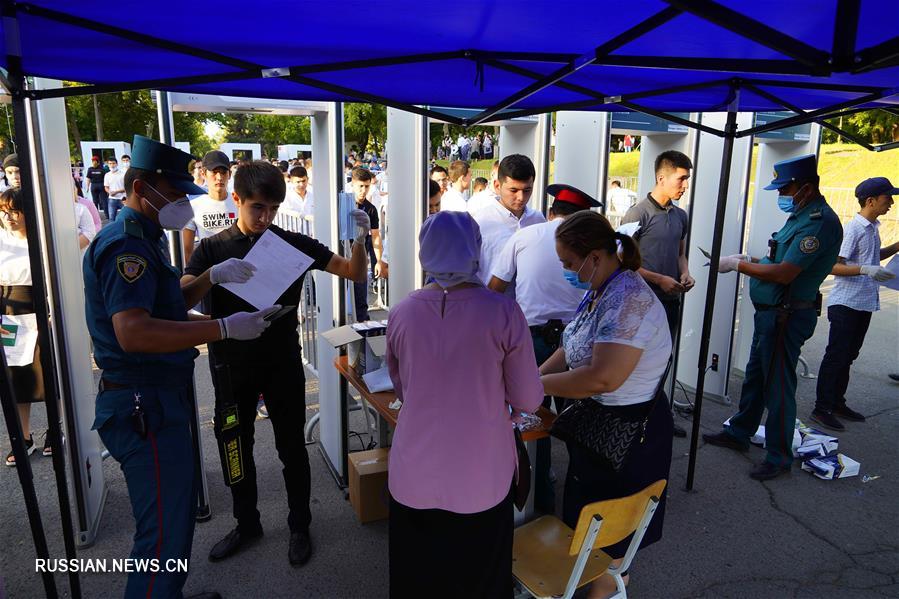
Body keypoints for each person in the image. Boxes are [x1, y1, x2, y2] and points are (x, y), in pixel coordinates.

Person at [84, 136, 275, 599]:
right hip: (140, 401)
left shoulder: (147, 239)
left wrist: (210, 277)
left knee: (176, 512)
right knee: (162, 533)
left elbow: (166, 309)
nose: (181, 204)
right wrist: (223, 329)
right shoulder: (125, 247)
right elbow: (135, 331)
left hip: (159, 397)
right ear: (143, 187)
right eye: (173, 193)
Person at [181, 160, 370, 568]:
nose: (266, 218)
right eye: (257, 208)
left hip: (281, 363)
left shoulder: (292, 244)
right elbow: (181, 298)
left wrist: (358, 237)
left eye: (272, 208)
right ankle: (245, 521)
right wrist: (212, 275)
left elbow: (353, 272)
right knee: (235, 446)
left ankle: (300, 523)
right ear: (237, 201)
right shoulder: (213, 247)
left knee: (291, 448)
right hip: (230, 366)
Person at [386, 210, 543, 598]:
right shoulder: (503, 311)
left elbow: (402, 387)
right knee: (481, 578)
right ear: (475, 250)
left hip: (412, 473)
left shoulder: (402, 312)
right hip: (482, 476)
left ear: (426, 254)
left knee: (417, 577)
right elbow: (528, 399)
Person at [540, 210, 673, 599]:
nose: (566, 270)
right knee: (590, 530)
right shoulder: (602, 287)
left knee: (610, 546)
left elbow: (603, 377)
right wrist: (532, 377)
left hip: (629, 437)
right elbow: (572, 345)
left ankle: (608, 589)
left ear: (594, 257)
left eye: (568, 263)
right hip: (601, 426)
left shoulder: (629, 301)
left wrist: (534, 387)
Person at [704, 154, 842, 481]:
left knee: (778, 386)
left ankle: (779, 456)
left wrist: (738, 265)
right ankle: (739, 432)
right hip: (772, 315)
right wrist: (749, 259)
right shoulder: (801, 215)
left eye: (786, 188)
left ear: (806, 188)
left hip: (787, 317)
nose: (782, 195)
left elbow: (784, 272)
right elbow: (776, 258)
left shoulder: (819, 222)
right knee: (755, 376)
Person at [488, 183, 600, 514]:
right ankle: (580, 500)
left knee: (529, 417)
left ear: (551, 212)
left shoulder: (524, 237)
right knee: (580, 419)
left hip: (530, 341)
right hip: (578, 342)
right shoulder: (591, 248)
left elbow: (494, 290)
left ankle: (540, 492)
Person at [811, 177, 898, 431]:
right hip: (846, 304)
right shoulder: (854, 229)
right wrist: (865, 270)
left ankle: (837, 402)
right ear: (870, 201)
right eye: (887, 198)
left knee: (849, 356)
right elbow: (832, 265)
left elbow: (870, 258)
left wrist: (894, 247)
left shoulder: (872, 228)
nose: (891, 202)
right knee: (836, 356)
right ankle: (821, 408)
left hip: (863, 303)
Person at [623, 151, 695, 437]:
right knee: (636, 362)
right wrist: (659, 279)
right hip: (640, 304)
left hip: (670, 302)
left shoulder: (680, 216)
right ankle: (633, 419)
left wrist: (685, 273)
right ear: (661, 178)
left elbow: (680, 254)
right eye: (682, 178)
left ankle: (656, 418)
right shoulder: (637, 214)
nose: (685, 185)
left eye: (687, 179)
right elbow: (622, 263)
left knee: (663, 361)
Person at [1, 188, 51, 465]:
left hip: (40, 308)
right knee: (16, 376)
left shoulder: (42, 239)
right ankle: (23, 436)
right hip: (9, 313)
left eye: (14, 211)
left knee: (47, 371)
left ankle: (56, 430)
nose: (8, 217)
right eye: (3, 211)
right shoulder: (0, 239)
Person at [470, 154, 546, 286]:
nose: (521, 197)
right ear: (497, 185)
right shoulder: (480, 222)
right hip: (490, 302)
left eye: (527, 190)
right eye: (513, 190)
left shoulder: (538, 220)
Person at [182, 151, 238, 264]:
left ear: (230, 174)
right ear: (203, 173)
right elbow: (187, 250)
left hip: (239, 273)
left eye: (223, 172)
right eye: (214, 172)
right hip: (208, 275)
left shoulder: (240, 202)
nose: (219, 177)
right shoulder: (193, 206)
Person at [348, 167, 383, 322]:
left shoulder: (371, 209)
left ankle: (363, 323)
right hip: (341, 254)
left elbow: (376, 236)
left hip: (361, 257)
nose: (363, 190)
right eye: (360, 186)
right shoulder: (343, 205)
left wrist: (379, 261)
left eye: (366, 186)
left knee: (360, 293)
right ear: (353, 185)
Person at [103, 157, 126, 222]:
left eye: (113, 163)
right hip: (112, 200)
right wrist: (109, 192)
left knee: (125, 217)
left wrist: (116, 192)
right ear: (108, 165)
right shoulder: (107, 175)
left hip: (123, 199)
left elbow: (127, 187)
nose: (112, 165)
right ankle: (113, 232)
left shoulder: (123, 174)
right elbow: (106, 187)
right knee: (111, 218)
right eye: (110, 163)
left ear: (117, 164)